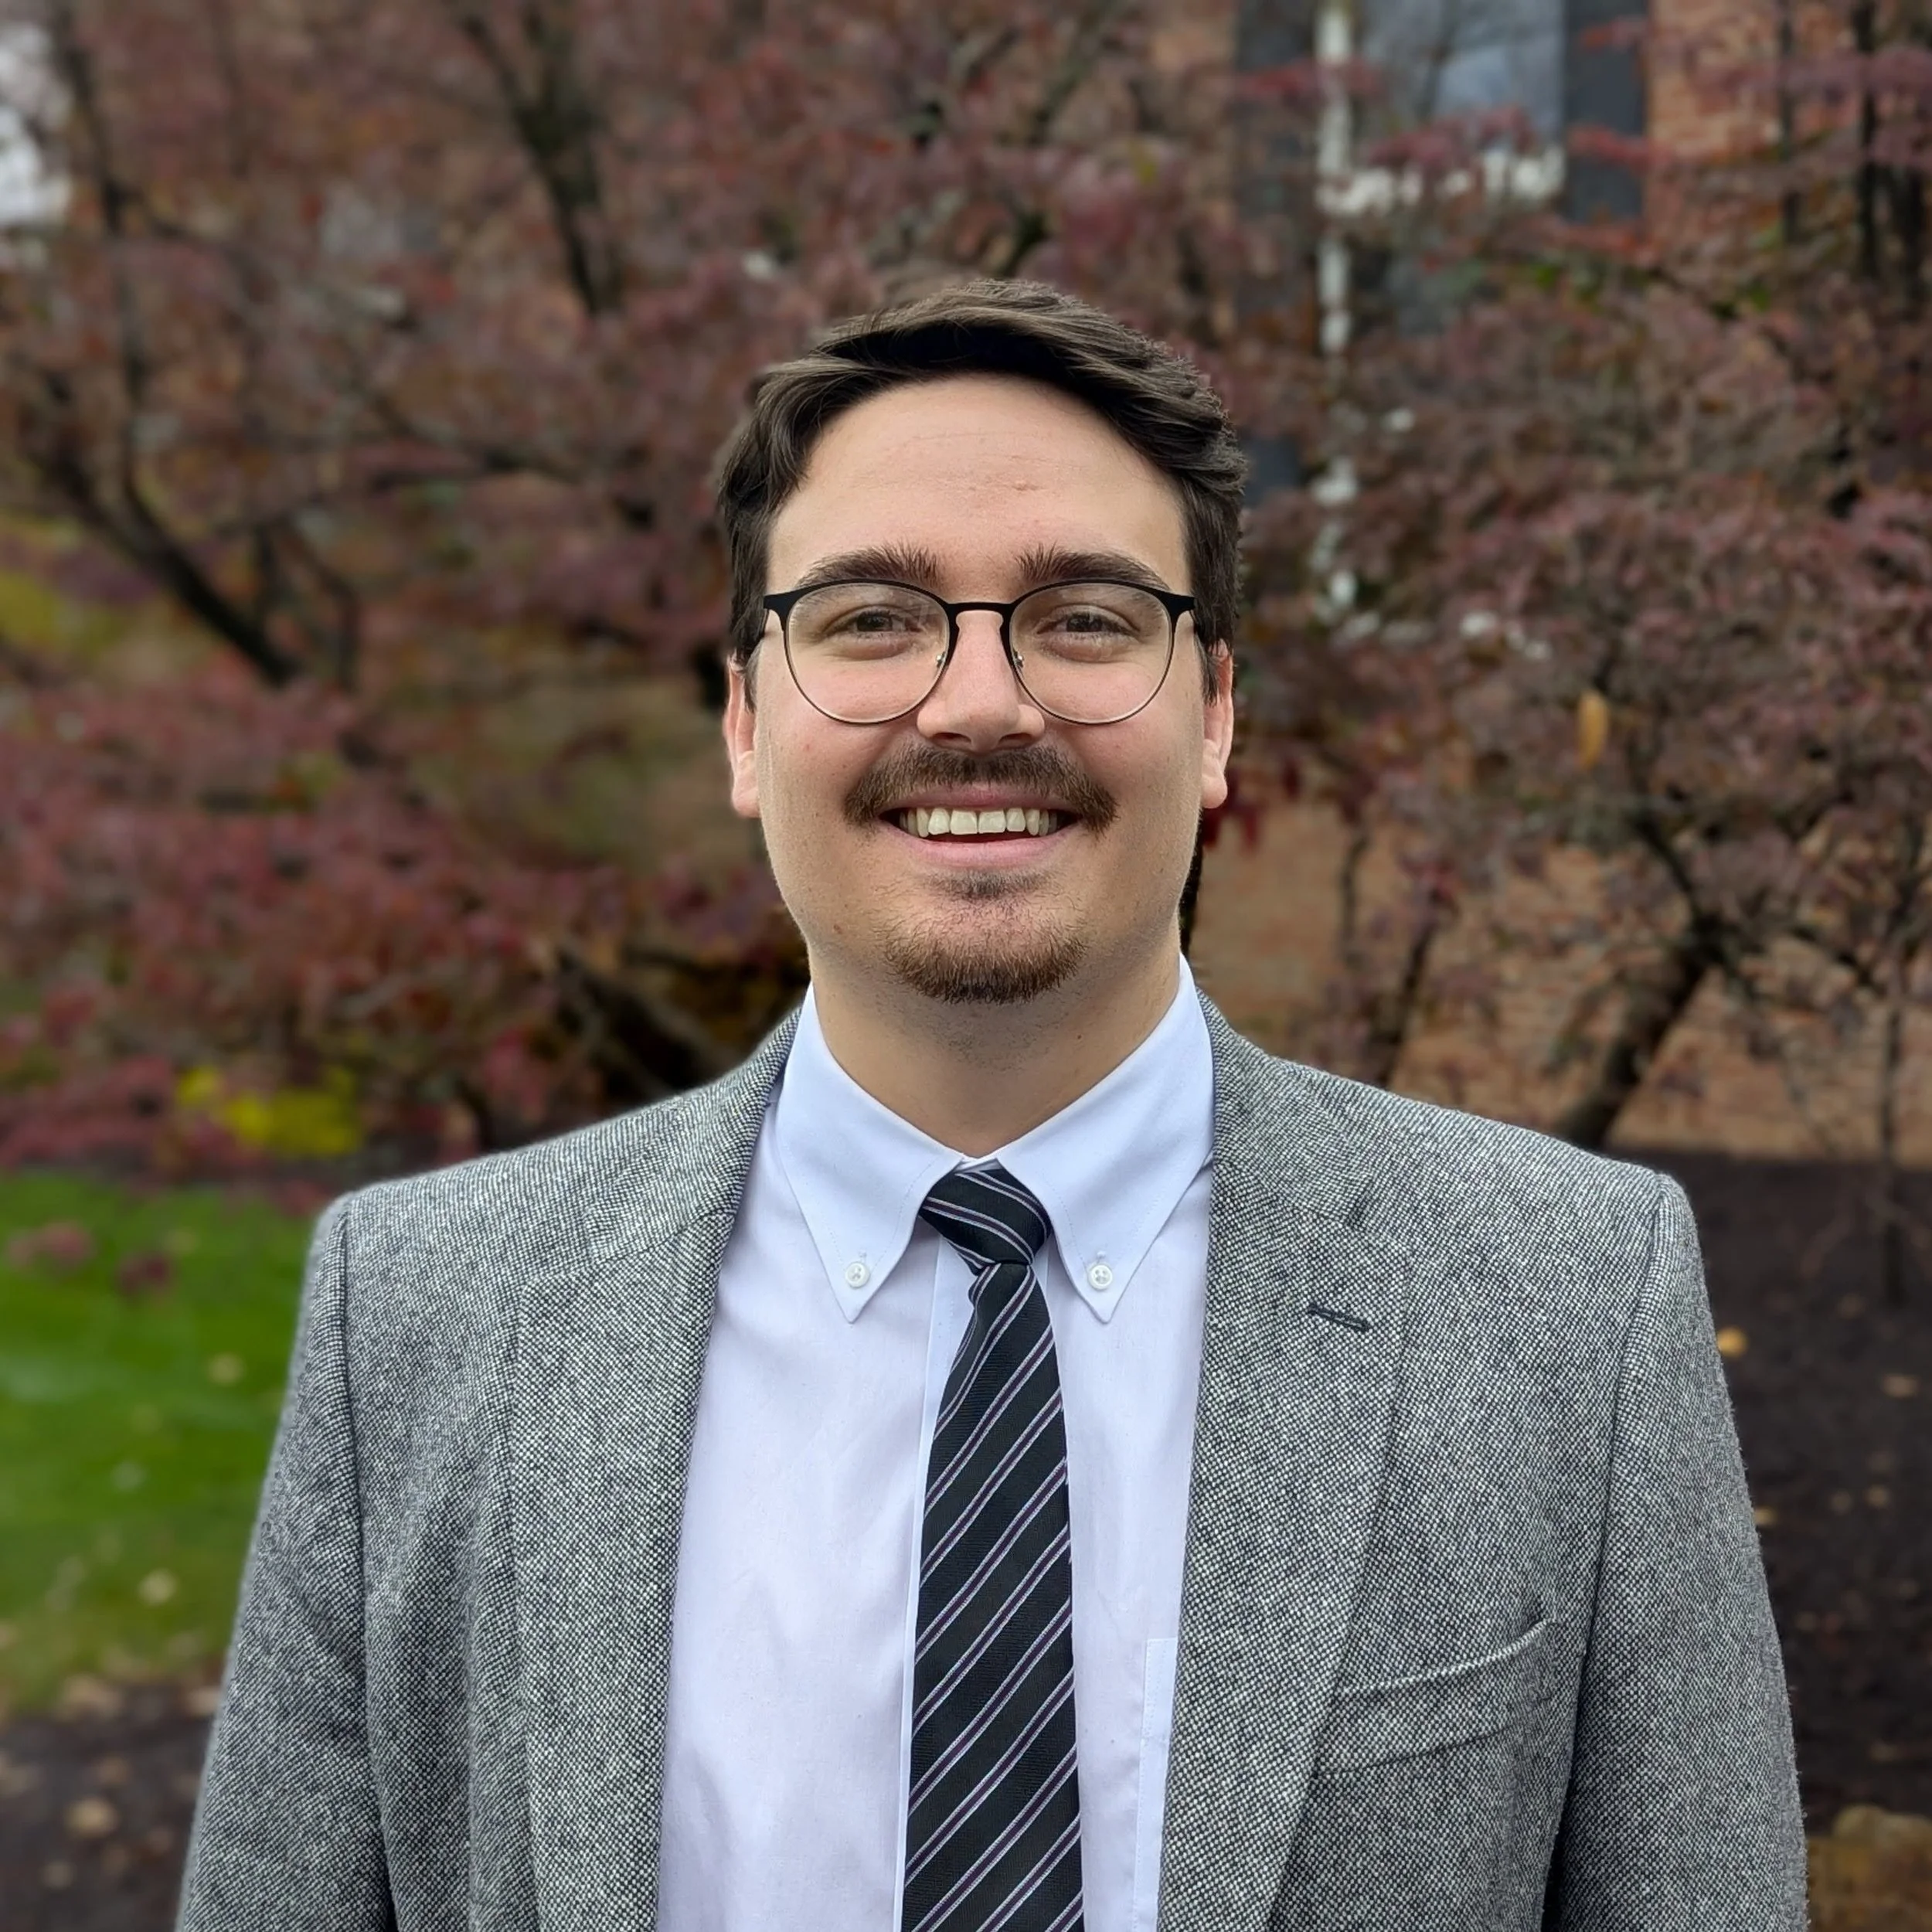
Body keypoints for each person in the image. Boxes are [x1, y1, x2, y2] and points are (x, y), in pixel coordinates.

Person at [177, 280, 1806, 1932]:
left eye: (1085, 616)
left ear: (1215, 710)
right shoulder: (417, 1314)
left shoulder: (1570, 1298)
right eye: (871, 616)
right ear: (746, 718)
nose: (973, 705)